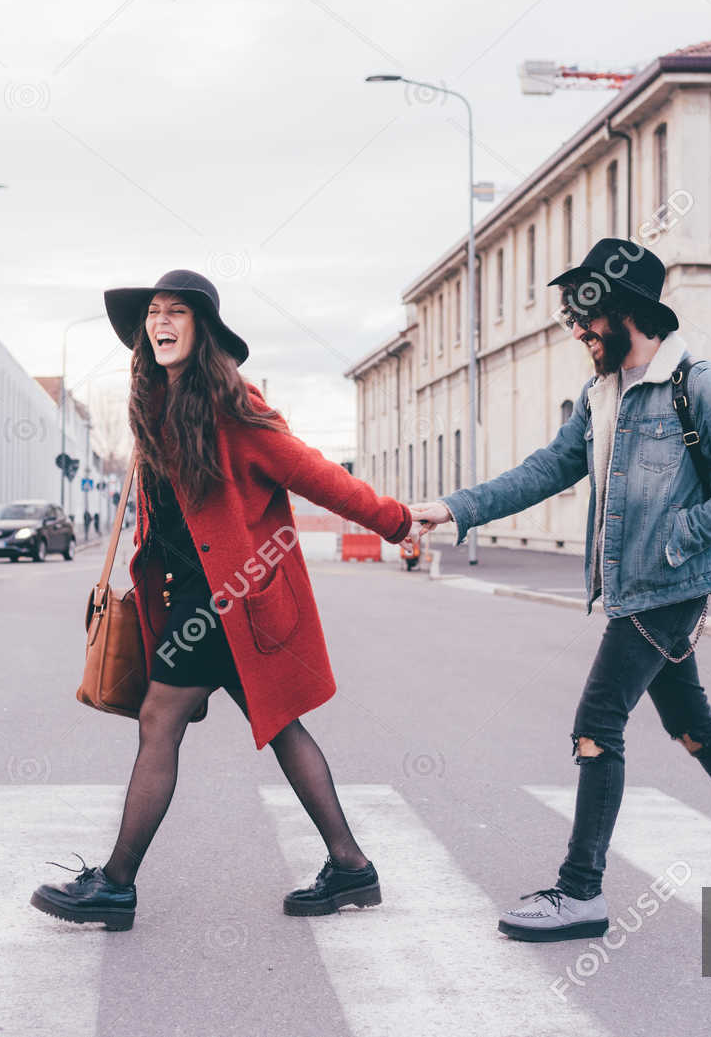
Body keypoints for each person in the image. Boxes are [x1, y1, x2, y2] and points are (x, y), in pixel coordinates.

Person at [408, 239, 711, 942]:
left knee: (596, 726)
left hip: (669, 583)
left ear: (627, 312)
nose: (576, 331)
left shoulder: (695, 383)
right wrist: (452, 509)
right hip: (638, 587)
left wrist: (684, 530)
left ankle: (581, 892)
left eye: (585, 317)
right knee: (692, 723)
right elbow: (546, 469)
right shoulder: (602, 394)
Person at [32, 269, 421, 932]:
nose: (161, 322)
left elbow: (317, 474)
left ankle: (117, 884)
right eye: (154, 312)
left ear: (201, 329)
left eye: (177, 312)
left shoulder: (234, 410)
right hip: (198, 597)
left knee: (159, 721)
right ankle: (350, 864)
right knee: (281, 726)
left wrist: (397, 522)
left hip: (220, 601)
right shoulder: (156, 405)